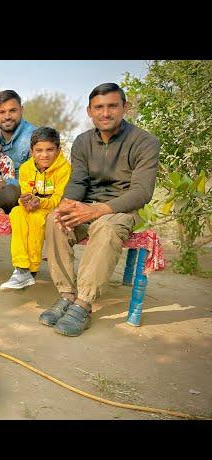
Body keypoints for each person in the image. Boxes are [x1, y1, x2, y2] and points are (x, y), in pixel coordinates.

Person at [39, 83, 160, 337]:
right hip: (87, 205)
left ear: (125, 107)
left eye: (112, 106)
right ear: (89, 111)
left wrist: (98, 211)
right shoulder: (83, 141)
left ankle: (83, 303)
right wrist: (68, 204)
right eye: (99, 107)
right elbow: (78, 182)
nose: (106, 113)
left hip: (123, 209)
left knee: (106, 226)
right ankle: (66, 294)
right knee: (55, 218)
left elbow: (142, 192)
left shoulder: (145, 142)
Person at [0, 127, 71, 290]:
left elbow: (58, 199)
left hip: (52, 208)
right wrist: (26, 201)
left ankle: (31, 269)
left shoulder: (64, 169)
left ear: (58, 150)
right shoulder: (25, 168)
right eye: (39, 150)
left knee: (36, 219)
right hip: (34, 206)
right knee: (17, 212)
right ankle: (21, 268)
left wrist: (39, 202)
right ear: (31, 151)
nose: (44, 155)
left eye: (50, 150)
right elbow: (26, 191)